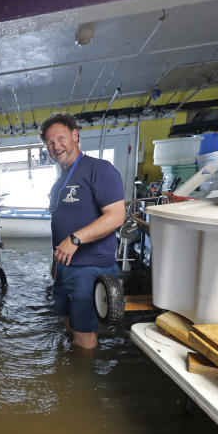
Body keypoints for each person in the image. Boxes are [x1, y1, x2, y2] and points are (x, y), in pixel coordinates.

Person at [41, 113, 126, 349]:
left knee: (83, 334)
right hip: (64, 268)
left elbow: (117, 216)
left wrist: (75, 239)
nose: (55, 146)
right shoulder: (60, 181)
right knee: (68, 325)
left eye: (60, 138)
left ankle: (82, 381)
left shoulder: (99, 169)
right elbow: (59, 224)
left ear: (75, 135)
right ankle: (69, 374)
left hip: (90, 267)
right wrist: (55, 262)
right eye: (49, 143)